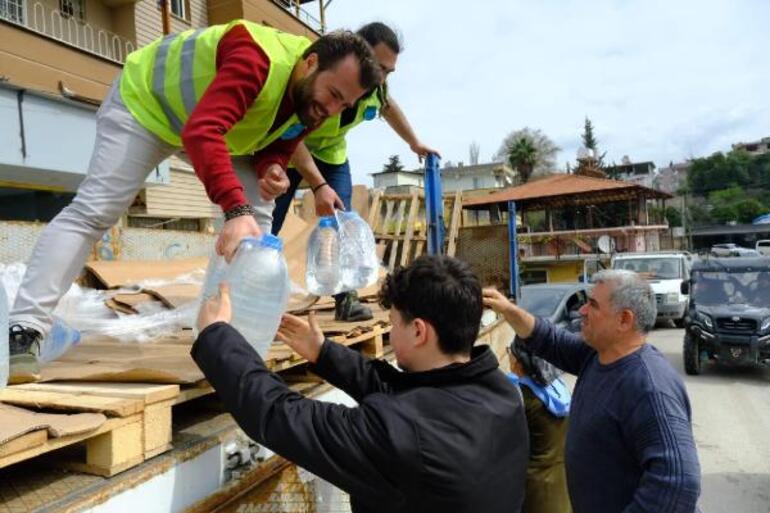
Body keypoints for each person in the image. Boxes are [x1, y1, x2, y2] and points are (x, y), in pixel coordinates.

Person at [8, 20, 383, 383]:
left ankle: (230, 340)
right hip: (147, 105)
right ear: (311, 62)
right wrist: (234, 209)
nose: (333, 110)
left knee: (258, 227)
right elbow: (202, 131)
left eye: (344, 104)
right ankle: (23, 330)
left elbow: (281, 140)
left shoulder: (316, 99)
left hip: (220, 129)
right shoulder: (256, 58)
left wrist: (271, 167)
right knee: (95, 212)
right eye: (334, 95)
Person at [193, 255, 529, 512]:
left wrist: (216, 335)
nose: (389, 331)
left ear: (418, 331)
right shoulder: (501, 392)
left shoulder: (405, 433)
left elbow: (279, 414)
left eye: (393, 322)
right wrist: (323, 353)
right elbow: (402, 394)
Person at [483, 270, 701, 513]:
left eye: (593, 305)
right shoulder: (596, 355)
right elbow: (549, 339)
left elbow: (679, 482)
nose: (582, 311)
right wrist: (508, 310)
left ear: (624, 320)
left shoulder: (649, 387)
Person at [271, 22, 439, 322]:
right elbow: (288, 129)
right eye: (379, 67)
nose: (382, 77)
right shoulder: (325, 74)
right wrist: (317, 184)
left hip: (331, 156)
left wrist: (415, 143)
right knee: (269, 220)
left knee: (340, 220)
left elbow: (388, 107)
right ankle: (252, 295)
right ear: (357, 53)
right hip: (292, 148)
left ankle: (345, 299)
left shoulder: (376, 88)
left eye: (388, 72)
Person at [505, 341, 571, 513]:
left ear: (519, 362)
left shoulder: (522, 397)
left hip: (536, 487)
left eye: (509, 353)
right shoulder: (557, 387)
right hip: (563, 478)